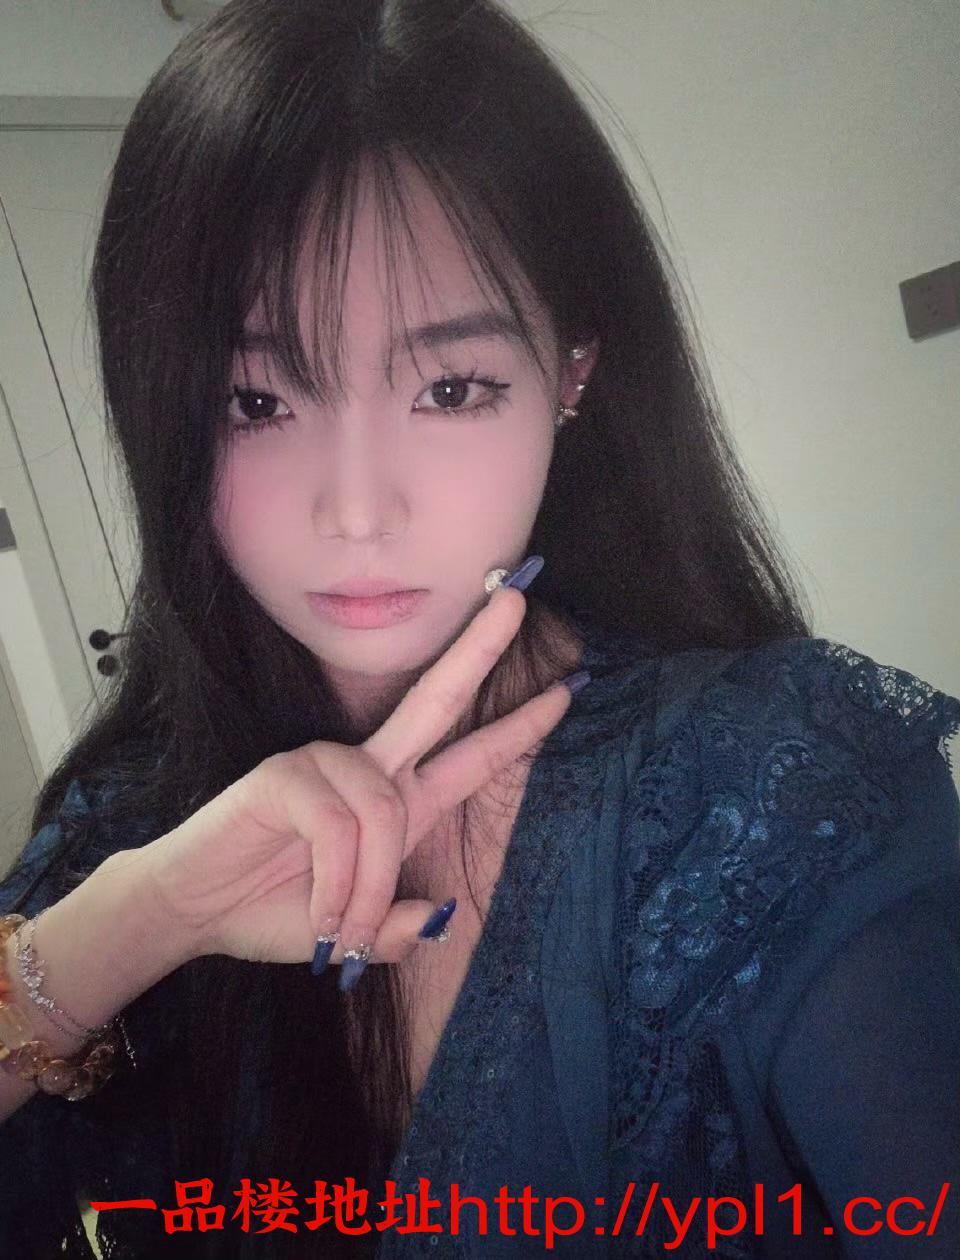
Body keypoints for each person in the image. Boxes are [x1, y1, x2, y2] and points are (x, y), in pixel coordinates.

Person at [1, 0, 958, 1256]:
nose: (356, 512)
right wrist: (135, 924)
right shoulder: (130, 824)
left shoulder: (776, 792)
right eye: (257, 401)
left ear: (571, 370)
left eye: (450, 388)